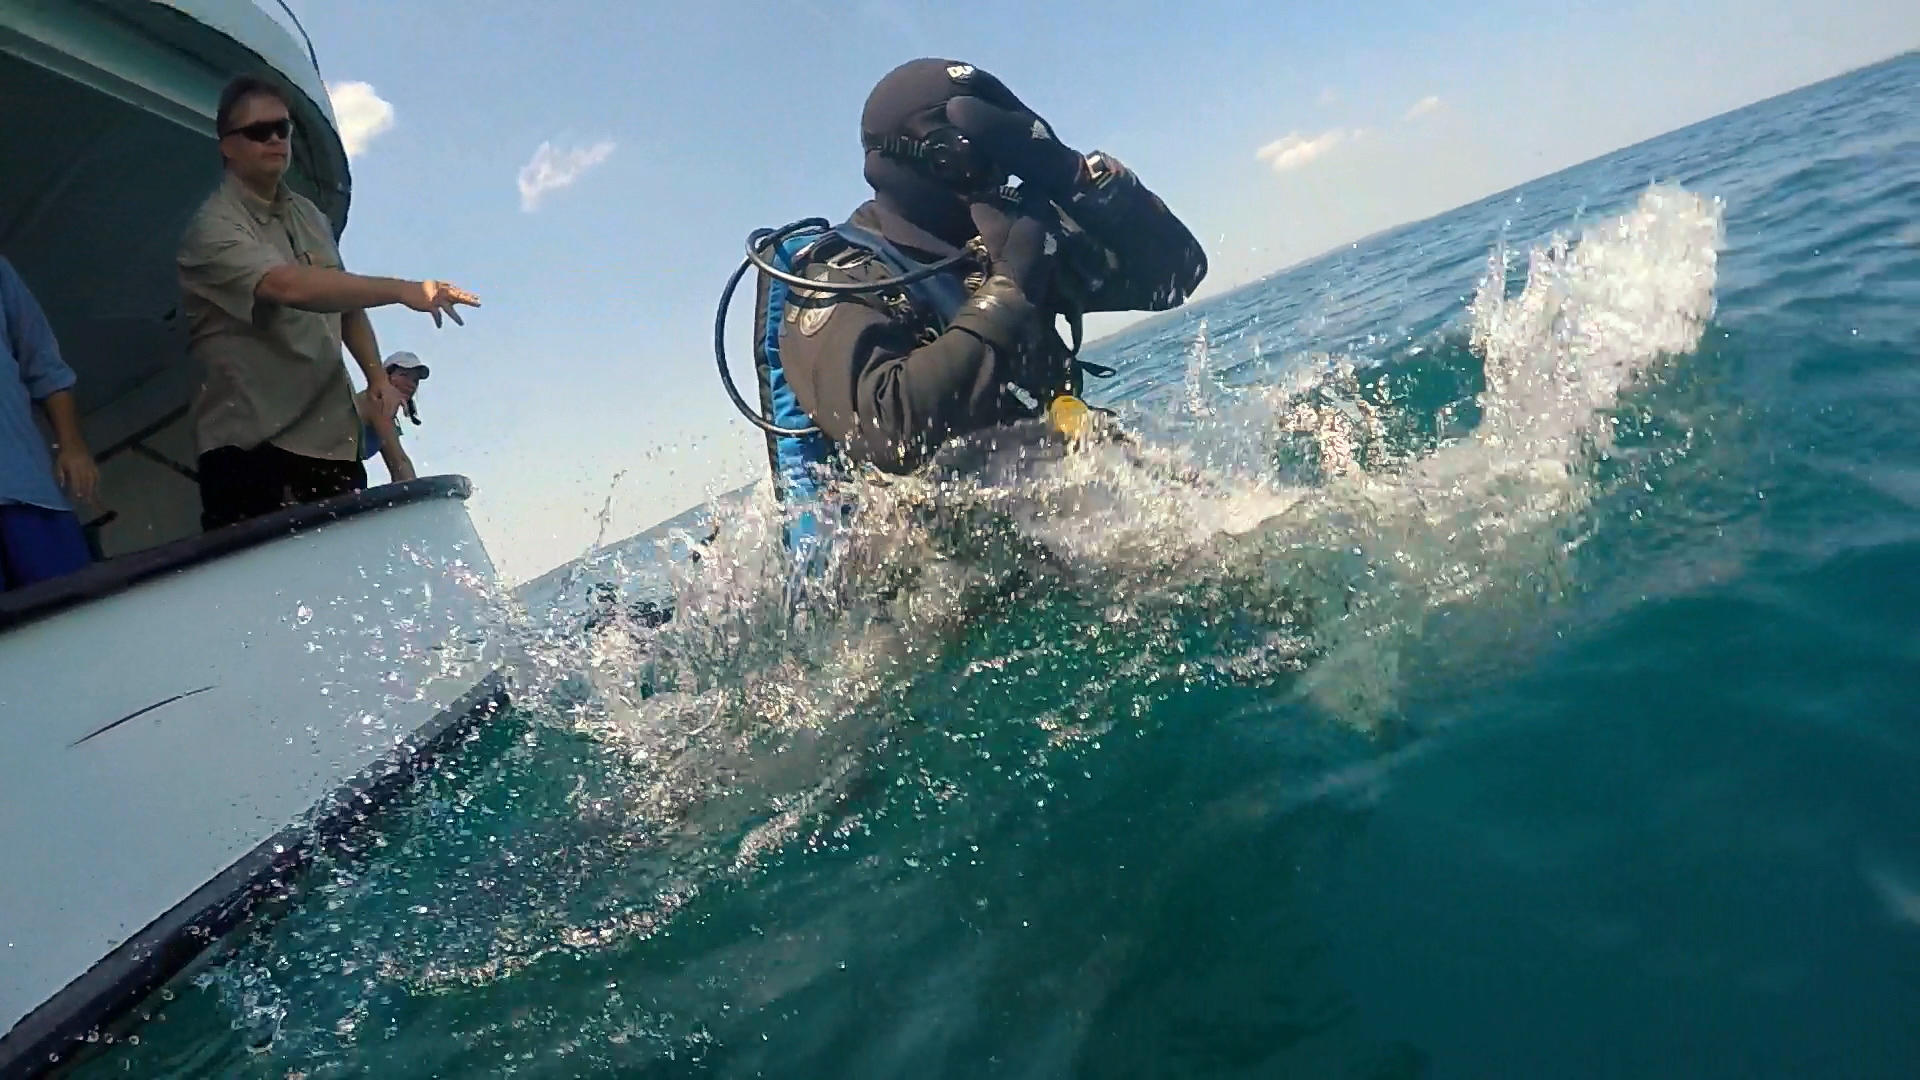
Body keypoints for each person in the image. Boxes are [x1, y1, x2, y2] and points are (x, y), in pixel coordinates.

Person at [751, 57, 1208, 508]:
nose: (998, 175)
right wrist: (1011, 290)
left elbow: (1174, 276)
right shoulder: (836, 279)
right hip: (931, 557)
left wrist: (1078, 178)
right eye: (979, 159)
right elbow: (887, 431)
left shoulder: (1008, 237)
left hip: (1061, 505)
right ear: (940, 159)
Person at [177, 74, 481, 531]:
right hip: (252, 453)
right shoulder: (212, 229)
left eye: (282, 128)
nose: (275, 140)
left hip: (330, 445)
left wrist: (376, 375)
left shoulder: (309, 214)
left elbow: (343, 299)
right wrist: (404, 290)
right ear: (227, 145)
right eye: (259, 132)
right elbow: (289, 288)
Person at [0, 254, 98, 591]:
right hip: (27, 489)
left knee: (77, 622)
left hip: (30, 492)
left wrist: (73, 446)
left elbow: (42, 361)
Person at [355, 350, 429, 483]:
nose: (411, 384)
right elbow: (400, 460)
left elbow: (396, 469)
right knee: (355, 477)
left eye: (415, 380)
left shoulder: (389, 420)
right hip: (313, 457)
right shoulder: (377, 402)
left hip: (339, 464)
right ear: (385, 376)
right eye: (404, 375)